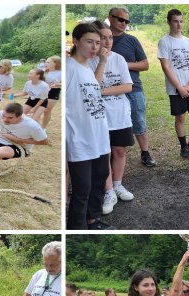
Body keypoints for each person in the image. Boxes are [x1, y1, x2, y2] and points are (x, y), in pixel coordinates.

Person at [66, 23, 113, 230]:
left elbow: (92, 91)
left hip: (99, 136)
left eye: (97, 42)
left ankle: (94, 221)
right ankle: (77, 228)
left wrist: (102, 62)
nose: (94, 47)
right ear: (76, 41)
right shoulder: (69, 68)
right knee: (82, 189)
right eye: (89, 42)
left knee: (99, 180)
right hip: (80, 138)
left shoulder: (87, 67)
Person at [90, 21, 134, 215]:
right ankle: (108, 192)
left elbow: (127, 86)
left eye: (110, 37)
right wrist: (102, 61)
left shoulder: (120, 59)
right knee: (104, 154)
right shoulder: (89, 60)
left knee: (119, 151)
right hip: (99, 117)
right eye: (103, 38)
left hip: (120, 114)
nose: (108, 41)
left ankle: (117, 184)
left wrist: (103, 91)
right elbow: (91, 89)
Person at [108, 7, 156, 167]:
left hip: (133, 88)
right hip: (108, 90)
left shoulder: (132, 40)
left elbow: (145, 64)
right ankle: (108, 154)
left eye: (127, 21)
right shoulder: (101, 39)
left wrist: (122, 65)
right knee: (109, 122)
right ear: (110, 17)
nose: (124, 23)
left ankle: (145, 152)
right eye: (120, 19)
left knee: (139, 120)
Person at [158, 9, 189, 160]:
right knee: (180, 117)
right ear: (169, 22)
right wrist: (179, 87)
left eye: (181, 21)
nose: (179, 24)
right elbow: (166, 67)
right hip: (175, 88)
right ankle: (184, 147)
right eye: (175, 21)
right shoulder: (165, 41)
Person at [40, 56, 61, 129]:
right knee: (36, 109)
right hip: (42, 91)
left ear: (55, 63)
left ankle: (43, 128)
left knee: (46, 110)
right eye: (46, 62)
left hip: (53, 92)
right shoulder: (43, 71)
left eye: (48, 62)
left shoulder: (60, 73)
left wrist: (57, 84)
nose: (46, 63)